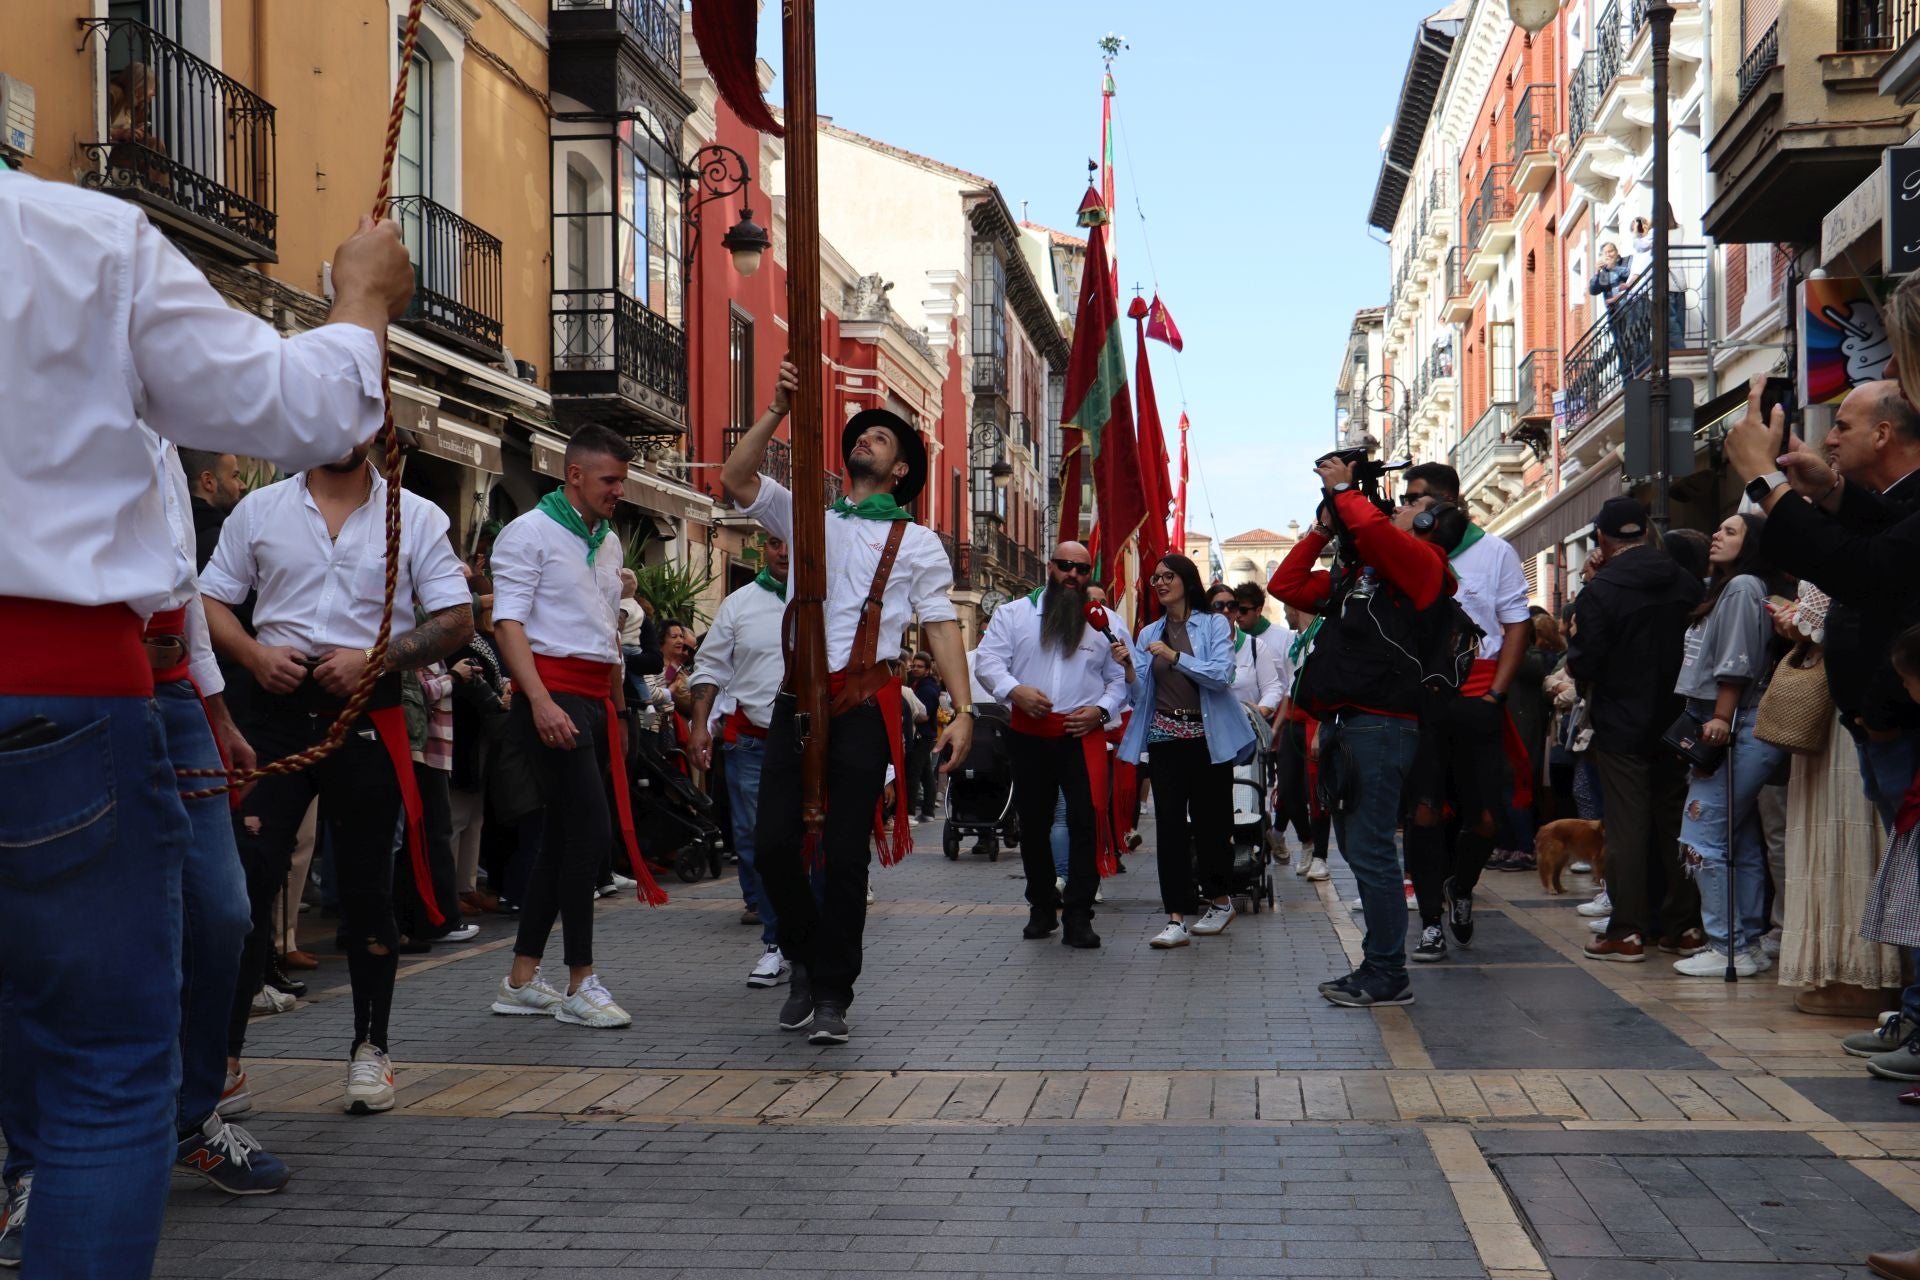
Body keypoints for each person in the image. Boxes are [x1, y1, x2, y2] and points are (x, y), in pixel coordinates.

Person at [0, 158, 412, 1273]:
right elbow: (300, 406)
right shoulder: (76, 235)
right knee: (102, 1069)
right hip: (58, 691)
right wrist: (362, 295)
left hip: (125, 687)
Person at [203, 428, 475, 1115]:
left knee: (364, 889)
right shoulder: (259, 509)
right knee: (243, 883)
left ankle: (370, 1050)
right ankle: (225, 1061)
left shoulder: (415, 516)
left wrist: (376, 657)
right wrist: (254, 653)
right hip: (271, 712)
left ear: (378, 429)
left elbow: (456, 619)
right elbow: (206, 601)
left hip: (364, 714)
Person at [721, 359, 974, 1046]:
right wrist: (775, 407)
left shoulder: (918, 542)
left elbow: (941, 625)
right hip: (795, 703)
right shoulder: (807, 510)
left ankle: (833, 992)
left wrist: (964, 711)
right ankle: (804, 958)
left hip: (863, 704)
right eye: (861, 434)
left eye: (881, 440)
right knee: (772, 846)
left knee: (843, 854)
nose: (865, 439)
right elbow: (735, 480)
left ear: (900, 473)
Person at [485, 426, 665, 1031]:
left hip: (593, 698)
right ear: (575, 476)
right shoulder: (527, 533)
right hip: (551, 692)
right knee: (587, 832)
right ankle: (580, 981)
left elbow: (608, 637)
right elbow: (507, 624)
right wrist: (537, 700)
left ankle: (519, 979)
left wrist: (617, 710)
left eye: (623, 479)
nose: (620, 490)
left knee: (564, 837)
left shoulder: (607, 542)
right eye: (611, 480)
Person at [1270, 456, 1465, 1006]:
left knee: (1373, 849)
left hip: (1382, 726)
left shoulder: (1427, 568)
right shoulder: (1364, 575)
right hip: (1348, 722)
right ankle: (1377, 964)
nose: (1399, 507)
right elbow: (1284, 584)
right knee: (1358, 848)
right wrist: (1321, 530)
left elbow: (1378, 532)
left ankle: (1387, 972)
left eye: (1411, 504)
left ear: (1431, 522)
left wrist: (1343, 489)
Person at [1728, 379, 1920, 830]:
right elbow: (1888, 529)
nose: (1829, 439)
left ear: (1883, 434)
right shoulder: (1891, 501)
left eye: (1841, 426)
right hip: (1881, 729)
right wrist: (1831, 489)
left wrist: (1765, 482)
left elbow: (1863, 566)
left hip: (1898, 728)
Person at [1395, 463, 1536, 961]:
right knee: (1424, 814)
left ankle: (1462, 884)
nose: (1408, 506)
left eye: (1417, 497)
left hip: (1479, 695)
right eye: (1406, 497)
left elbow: (1516, 625)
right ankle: (1430, 922)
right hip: (1423, 702)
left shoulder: (1494, 550)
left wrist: (1496, 696)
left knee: (1485, 821)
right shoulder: (1406, 552)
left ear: (1447, 500)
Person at [1566, 497, 1704, 963]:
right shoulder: (1684, 581)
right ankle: (1684, 927)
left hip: (1622, 723)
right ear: (1646, 531)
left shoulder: (1601, 591)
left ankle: (1626, 931)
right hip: (1678, 721)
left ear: (1602, 539)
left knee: (1626, 827)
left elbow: (1584, 661)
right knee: (1675, 823)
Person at [975, 541, 1131, 950]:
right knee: (1034, 824)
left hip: (1082, 735)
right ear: (1050, 567)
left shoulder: (1108, 623)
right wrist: (1016, 691)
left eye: (1081, 569)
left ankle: (1079, 914)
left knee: (1086, 821)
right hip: (1029, 733)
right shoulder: (1014, 615)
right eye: (1065, 566)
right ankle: (1041, 905)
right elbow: (988, 661)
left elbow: (1121, 679)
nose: (1073, 576)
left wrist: (1100, 710)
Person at [1121, 554, 1256, 949]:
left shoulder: (1213, 624)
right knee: (1169, 828)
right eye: (1155, 579)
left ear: (1185, 580)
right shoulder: (1149, 632)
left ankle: (1219, 900)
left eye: (1167, 577)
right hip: (1164, 737)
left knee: (1212, 827)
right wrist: (1130, 670)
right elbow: (1143, 694)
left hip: (1207, 738)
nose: (1160, 583)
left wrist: (1175, 656)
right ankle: (1176, 917)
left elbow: (1220, 675)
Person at [1670, 513, 1783, 977]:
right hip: (1733, 720)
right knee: (1738, 837)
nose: (1717, 535)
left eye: (1731, 531)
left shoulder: (1741, 589)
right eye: (1718, 529)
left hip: (1732, 722)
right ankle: (1747, 942)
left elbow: (1737, 660)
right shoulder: (1733, 589)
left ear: (1751, 544)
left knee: (1701, 834)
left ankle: (1728, 945)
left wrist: (1720, 716)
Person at [689, 536, 793, 988]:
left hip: (815, 744)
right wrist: (698, 726)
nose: (784, 551)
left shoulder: (832, 600)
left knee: (814, 844)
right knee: (759, 846)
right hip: (752, 743)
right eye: (774, 541)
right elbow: (710, 665)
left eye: (792, 540)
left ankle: (812, 938)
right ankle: (777, 944)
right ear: (761, 549)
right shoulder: (739, 603)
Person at [1276, 604, 1332, 883]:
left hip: (1315, 719)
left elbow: (1329, 685)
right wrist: (1277, 727)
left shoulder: (1324, 634)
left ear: (1294, 606)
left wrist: (1322, 728)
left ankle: (1320, 856)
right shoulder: (1294, 641)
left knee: (1317, 791)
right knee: (1287, 787)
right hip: (1293, 720)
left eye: (1286, 605)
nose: (1284, 611)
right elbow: (1289, 687)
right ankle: (1307, 841)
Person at [1228, 581, 1291, 723]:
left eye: (1243, 610)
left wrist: (1267, 711)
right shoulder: (1228, 641)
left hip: (1276, 718)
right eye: (1235, 608)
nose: (1237, 615)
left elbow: (1288, 684)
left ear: (1258, 610)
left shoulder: (1285, 637)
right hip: (1238, 719)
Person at [176, 448, 249, 569]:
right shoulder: (222, 545)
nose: (243, 486)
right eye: (234, 476)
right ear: (208, 481)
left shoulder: (166, 532)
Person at [906, 652, 944, 823]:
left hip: (923, 735)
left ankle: (910, 812)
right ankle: (928, 811)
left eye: (919, 666)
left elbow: (925, 715)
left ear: (928, 669)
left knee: (914, 772)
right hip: (925, 735)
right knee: (926, 773)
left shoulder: (927, 688)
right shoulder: (917, 684)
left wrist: (910, 715)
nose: (915, 669)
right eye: (914, 665)